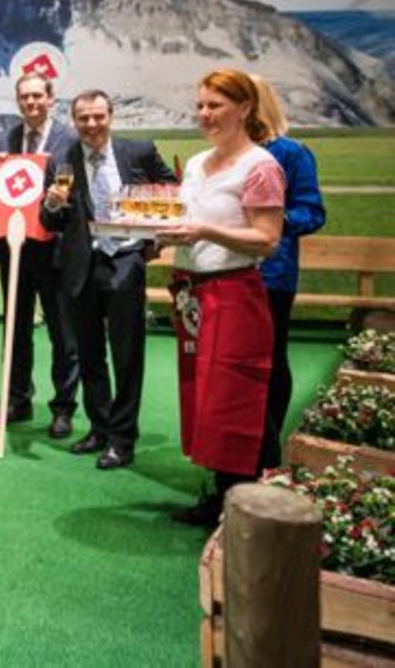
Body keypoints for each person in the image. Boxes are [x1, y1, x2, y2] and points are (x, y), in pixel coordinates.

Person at [157, 69, 284, 527]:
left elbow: (267, 239)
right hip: (192, 291)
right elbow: (185, 221)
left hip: (233, 292)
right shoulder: (195, 164)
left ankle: (246, 500)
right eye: (201, 106)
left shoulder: (260, 167)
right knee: (202, 393)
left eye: (215, 105)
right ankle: (218, 491)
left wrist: (205, 231)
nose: (205, 114)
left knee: (234, 393)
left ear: (245, 109)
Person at [40, 91, 175, 470]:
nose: (91, 125)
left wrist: (155, 237)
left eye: (98, 116)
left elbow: (172, 191)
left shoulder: (139, 152)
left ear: (111, 116)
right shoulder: (61, 160)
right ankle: (99, 428)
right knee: (89, 354)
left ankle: (122, 437)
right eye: (83, 118)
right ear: (75, 120)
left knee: (126, 355)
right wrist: (51, 203)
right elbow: (49, 222)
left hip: (125, 262)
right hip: (81, 265)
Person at [0, 71, 80, 438]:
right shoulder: (4, 138)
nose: (30, 102)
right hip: (14, 250)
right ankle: (17, 399)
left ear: (50, 98)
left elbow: (79, 193)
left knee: (63, 333)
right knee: (15, 331)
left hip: (55, 251)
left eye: (36, 96)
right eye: (24, 97)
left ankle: (63, 408)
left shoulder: (70, 140)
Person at [251, 76, 325, 473]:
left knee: (270, 359)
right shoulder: (227, 152)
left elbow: (312, 212)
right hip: (228, 274)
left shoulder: (292, 153)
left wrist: (269, 220)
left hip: (273, 275)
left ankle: (269, 448)